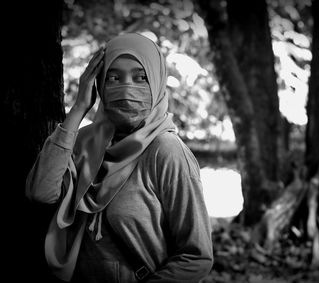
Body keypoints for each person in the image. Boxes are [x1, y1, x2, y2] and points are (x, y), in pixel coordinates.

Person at [25, 32, 213, 283]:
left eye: (141, 77)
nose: (127, 88)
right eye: (114, 77)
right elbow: (40, 192)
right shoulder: (85, 142)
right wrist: (79, 108)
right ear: (99, 84)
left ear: (157, 82)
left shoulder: (166, 151)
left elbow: (196, 256)